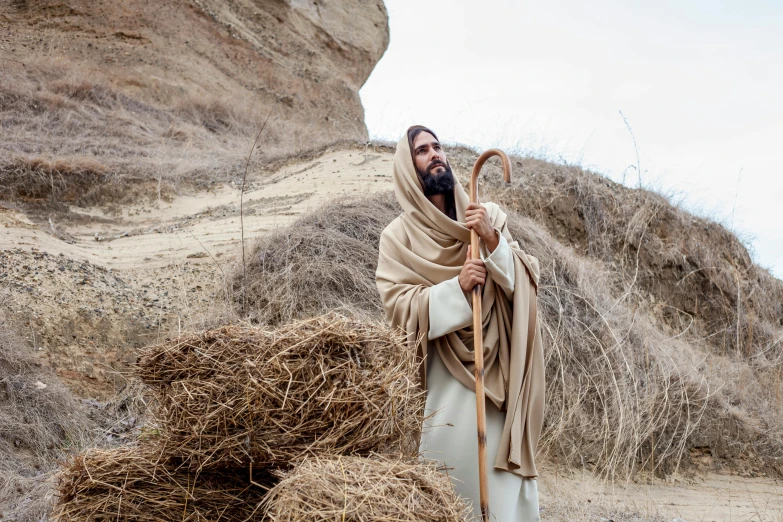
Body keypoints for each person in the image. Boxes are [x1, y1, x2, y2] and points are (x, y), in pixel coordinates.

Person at [376, 126, 545, 521]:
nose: (434, 154)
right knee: (450, 484)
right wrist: (456, 289)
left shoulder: (488, 218)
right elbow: (397, 307)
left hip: (498, 377)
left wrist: (491, 241)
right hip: (444, 383)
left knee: (502, 496)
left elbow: (527, 281)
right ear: (407, 167)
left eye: (438, 147)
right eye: (422, 150)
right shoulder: (398, 239)